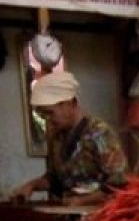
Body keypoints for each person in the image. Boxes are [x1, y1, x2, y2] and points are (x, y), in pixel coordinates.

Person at [11, 71, 128, 206]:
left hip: (103, 217)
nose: (48, 120)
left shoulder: (99, 133)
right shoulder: (56, 138)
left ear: (68, 103)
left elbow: (120, 183)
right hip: (69, 215)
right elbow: (55, 180)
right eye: (43, 116)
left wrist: (83, 201)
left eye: (50, 113)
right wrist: (32, 185)